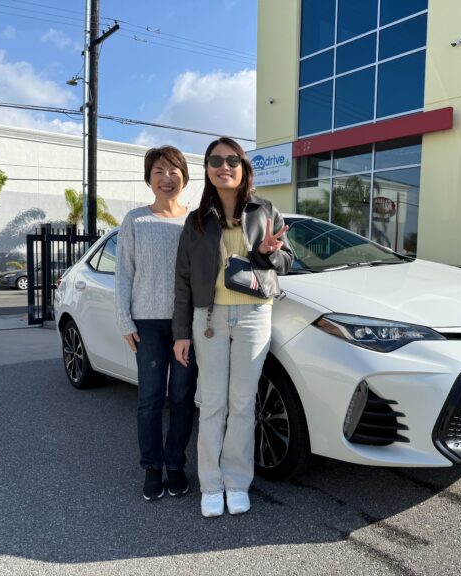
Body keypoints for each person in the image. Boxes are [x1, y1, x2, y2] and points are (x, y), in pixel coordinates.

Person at [172, 137, 292, 518]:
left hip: (254, 315)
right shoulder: (196, 221)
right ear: (207, 169)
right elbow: (183, 279)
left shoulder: (265, 210)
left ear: (243, 168)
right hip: (209, 319)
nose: (224, 166)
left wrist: (269, 253)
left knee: (242, 403)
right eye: (215, 160)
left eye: (232, 160)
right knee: (212, 404)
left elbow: (287, 262)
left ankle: (236, 482)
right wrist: (180, 332)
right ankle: (210, 484)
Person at [115, 146, 198, 501]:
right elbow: (124, 273)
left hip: (186, 326)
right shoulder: (135, 220)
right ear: (149, 178)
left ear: (184, 177)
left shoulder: (195, 221)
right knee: (149, 398)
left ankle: (175, 464)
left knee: (182, 398)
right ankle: (152, 466)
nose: (167, 178)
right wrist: (124, 320)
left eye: (173, 171)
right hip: (147, 324)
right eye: (159, 171)